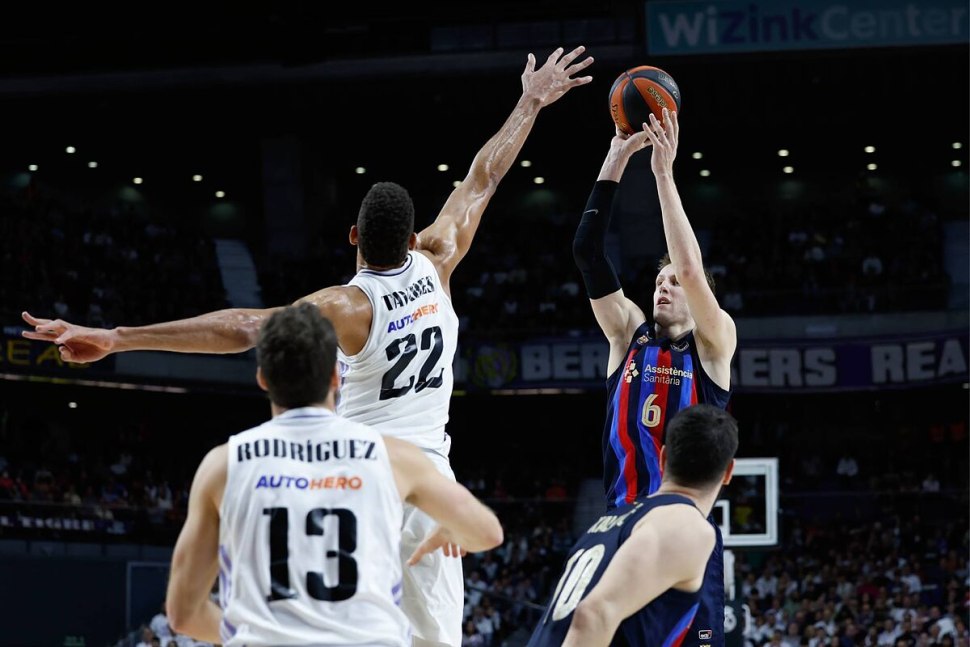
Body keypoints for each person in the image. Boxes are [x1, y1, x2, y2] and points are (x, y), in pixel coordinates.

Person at [22, 45, 593, 647]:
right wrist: (530, 101)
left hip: (356, 476)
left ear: (352, 236)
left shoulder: (346, 306)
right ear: (412, 237)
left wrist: (119, 337)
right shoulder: (441, 257)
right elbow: (484, 177)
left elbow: (244, 327)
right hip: (429, 483)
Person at [165, 304, 503, 646]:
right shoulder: (395, 457)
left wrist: (261, 632)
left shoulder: (223, 465)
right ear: (336, 377)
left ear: (263, 378)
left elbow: (183, 616)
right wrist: (453, 529)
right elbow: (488, 533)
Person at [571, 107, 738, 646]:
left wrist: (664, 174)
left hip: (682, 530)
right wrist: (614, 159)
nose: (663, 286)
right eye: (658, 281)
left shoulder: (713, 345)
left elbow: (691, 269)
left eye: (674, 283)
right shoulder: (628, 334)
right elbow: (587, 251)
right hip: (622, 525)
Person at [526, 404, 738, 647]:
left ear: (663, 458)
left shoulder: (611, 521)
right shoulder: (686, 525)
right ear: (728, 472)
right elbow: (593, 614)